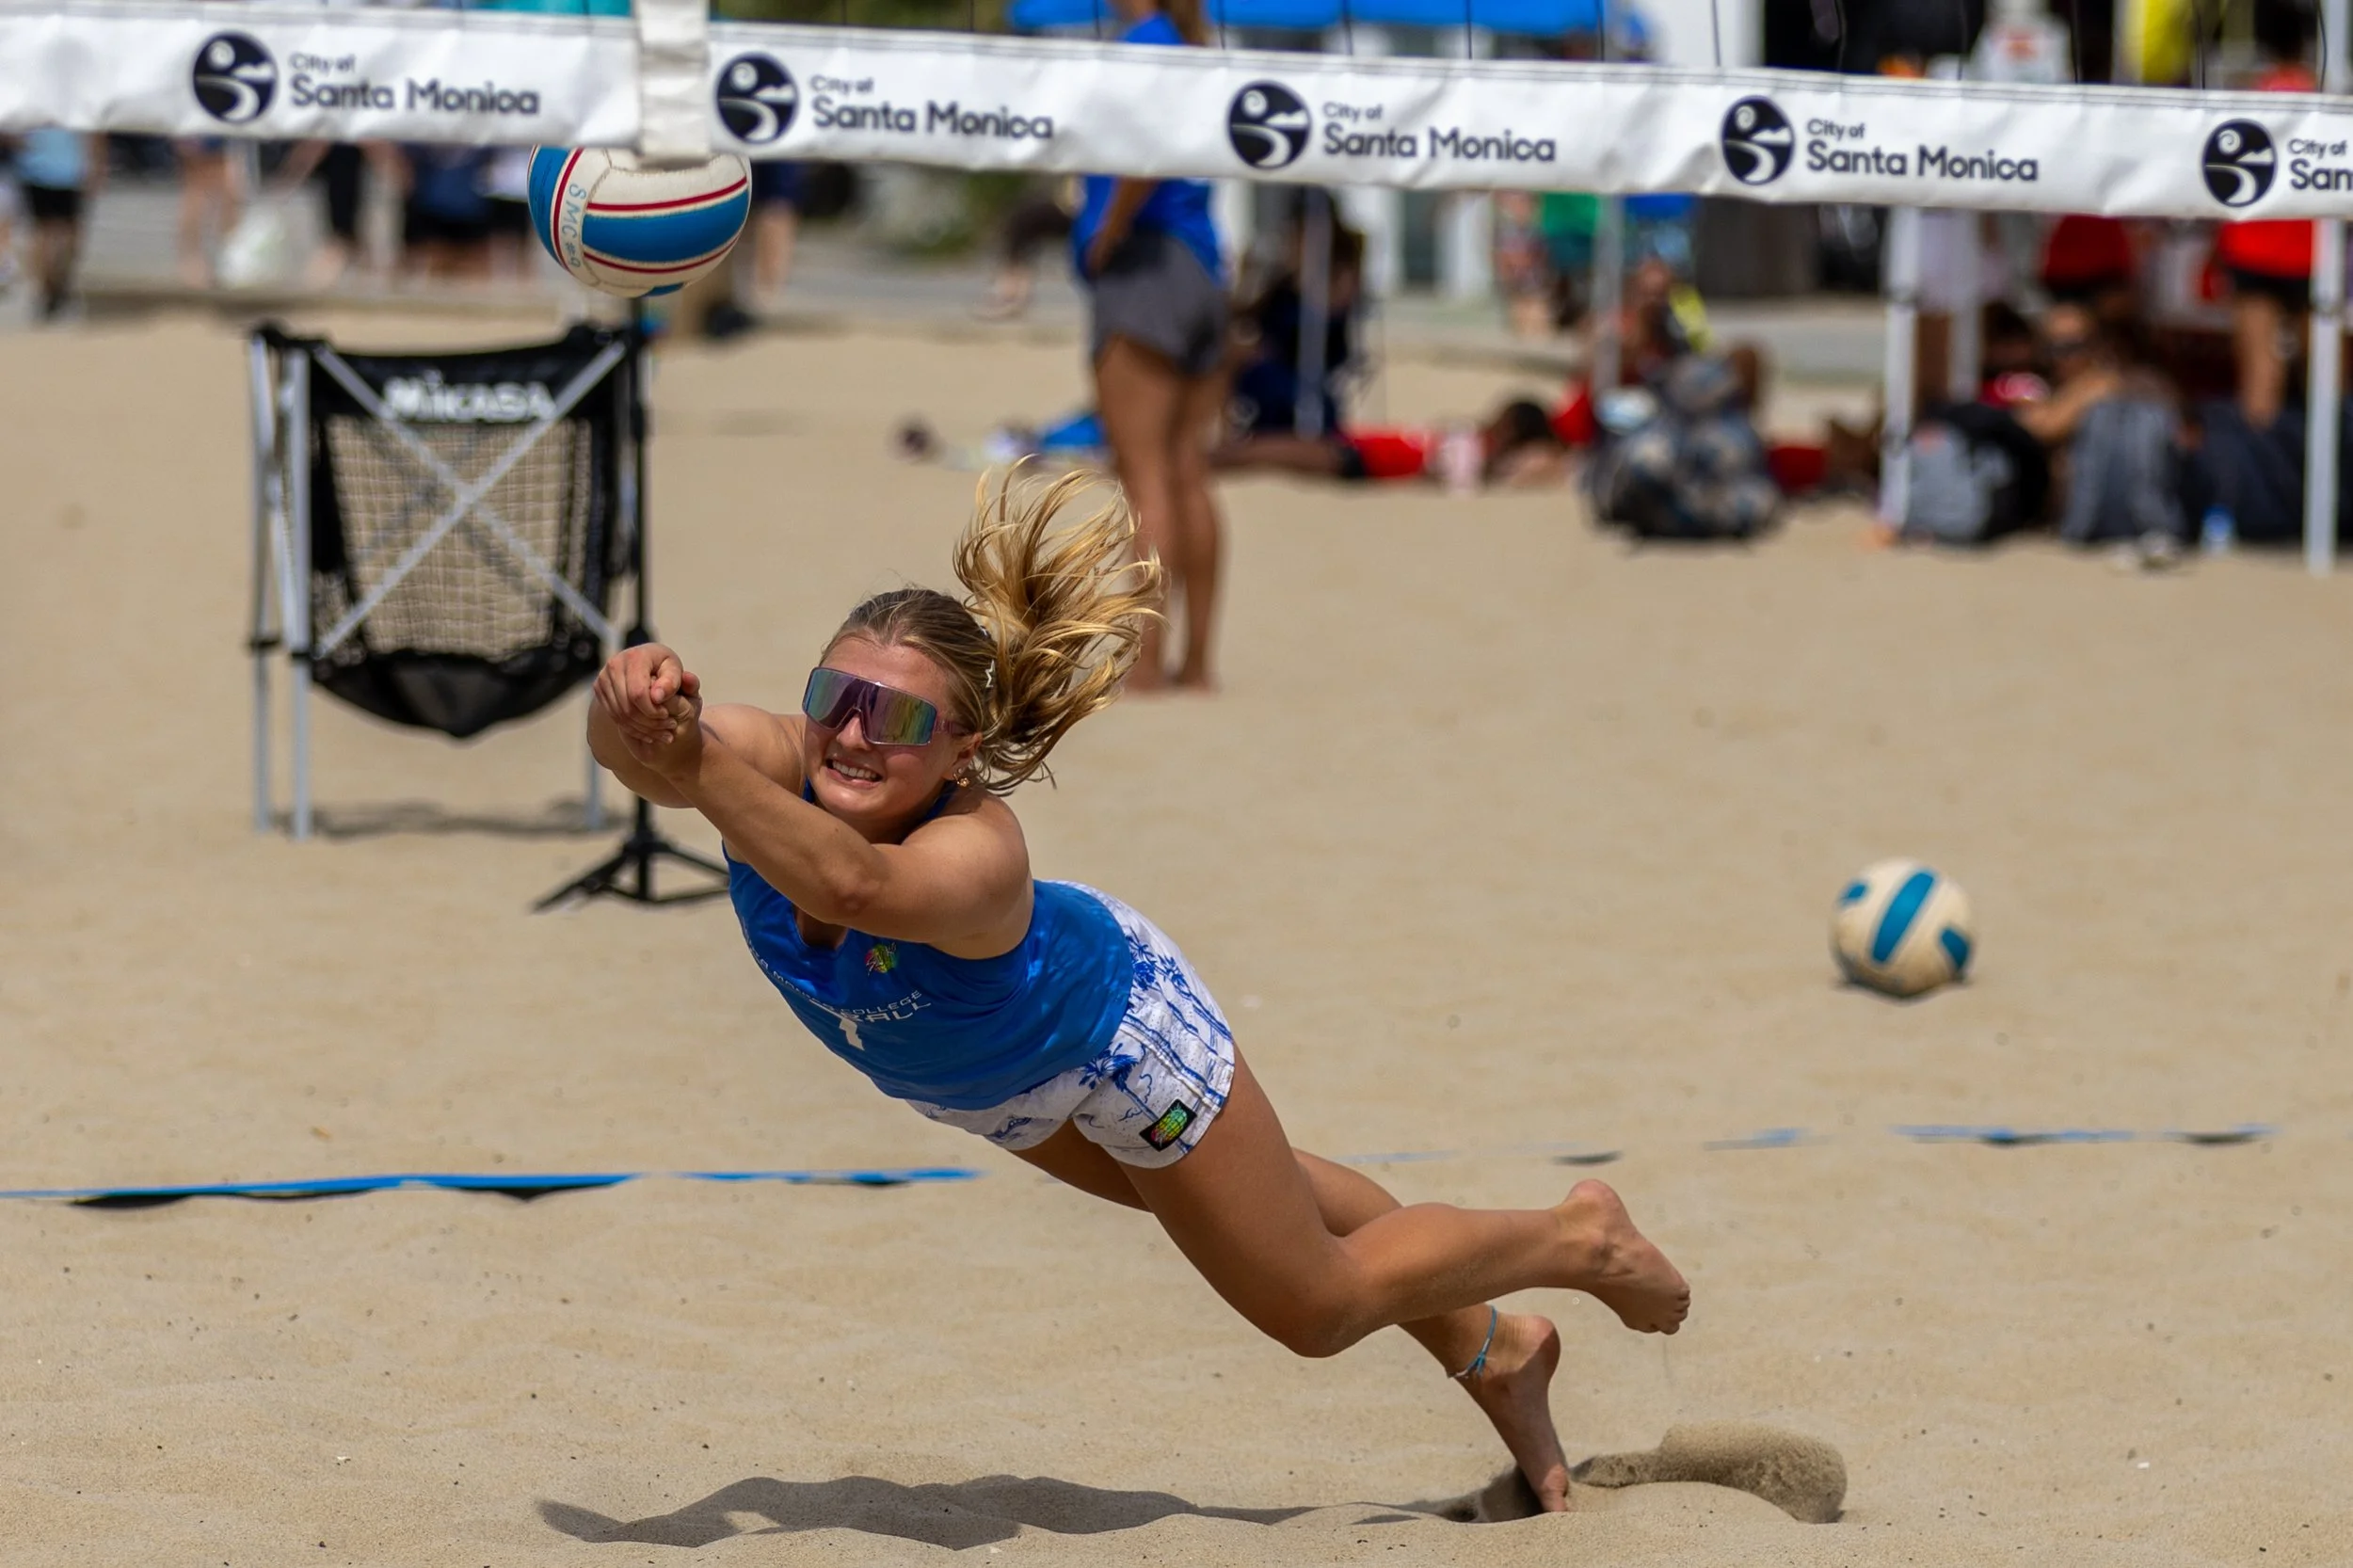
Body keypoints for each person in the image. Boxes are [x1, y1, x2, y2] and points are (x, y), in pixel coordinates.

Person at [585, 472, 1691, 1512]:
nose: (856, 732)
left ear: (962, 750)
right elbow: (639, 756)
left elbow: (847, 880)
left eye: (903, 718)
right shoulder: (775, 757)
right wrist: (631, 707)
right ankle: (1496, 1349)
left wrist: (682, 762)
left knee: (1314, 1303)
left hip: (1116, 1041)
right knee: (1283, 1196)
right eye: (838, 695)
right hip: (988, 1086)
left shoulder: (979, 853)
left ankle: (1578, 1236)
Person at [1075, 0, 1227, 691]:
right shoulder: (1194, 43)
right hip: (1204, 266)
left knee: (1144, 478)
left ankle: (1146, 665)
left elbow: (1147, 151)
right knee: (1188, 471)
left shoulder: (1141, 43)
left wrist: (1107, 230)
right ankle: (1195, 663)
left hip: (1146, 266)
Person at [13, 128, 104, 321]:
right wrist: (96, 164)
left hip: (42, 168)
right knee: (64, 233)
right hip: (65, 169)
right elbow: (94, 133)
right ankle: (54, 287)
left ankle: (46, 288)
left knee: (43, 233)